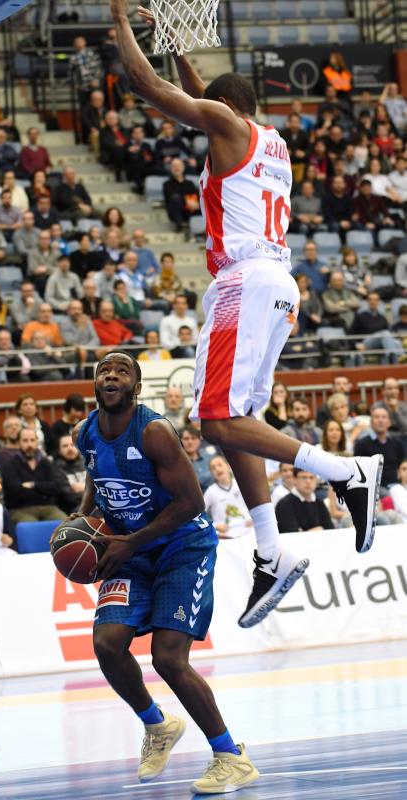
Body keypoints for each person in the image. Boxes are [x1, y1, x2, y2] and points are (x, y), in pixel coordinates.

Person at [110, 0, 383, 628]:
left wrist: (122, 22)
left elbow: (143, 85)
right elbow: (204, 95)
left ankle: (346, 471)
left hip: (245, 281)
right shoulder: (267, 140)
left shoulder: (226, 129)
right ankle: (271, 552)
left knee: (216, 418)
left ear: (223, 114)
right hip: (274, 285)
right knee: (232, 421)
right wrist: (178, 42)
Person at [71, 351, 259, 793]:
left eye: (122, 371)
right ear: (95, 384)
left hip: (182, 547)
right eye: (104, 371)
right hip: (130, 550)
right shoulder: (85, 433)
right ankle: (157, 725)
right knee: (106, 644)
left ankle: (231, 756)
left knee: (168, 658)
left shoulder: (154, 432)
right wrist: (81, 526)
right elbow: (97, 488)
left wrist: (130, 542)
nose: (111, 375)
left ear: (136, 387)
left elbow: (191, 503)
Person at [2, 428, 67, 526]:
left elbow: (57, 487)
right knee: (32, 527)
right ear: (19, 443)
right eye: (25, 440)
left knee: (66, 524)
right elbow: (15, 491)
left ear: (37, 442)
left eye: (32, 440)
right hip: (20, 509)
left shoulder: (46, 463)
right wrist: (44, 490)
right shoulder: (10, 465)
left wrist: (33, 485)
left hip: (48, 507)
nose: (29, 445)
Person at [203, 456, 252, 539]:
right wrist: (215, 525)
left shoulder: (242, 483)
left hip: (248, 529)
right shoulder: (210, 491)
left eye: (219, 465)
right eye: (213, 468)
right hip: (225, 535)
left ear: (228, 466)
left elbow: (257, 503)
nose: (217, 469)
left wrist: (254, 517)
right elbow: (200, 515)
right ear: (212, 474)